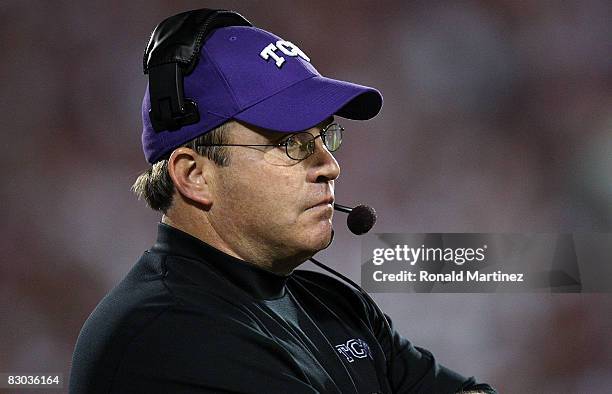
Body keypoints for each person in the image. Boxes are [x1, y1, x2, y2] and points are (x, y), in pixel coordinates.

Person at [69, 9, 496, 394]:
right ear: (194, 175)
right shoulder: (162, 335)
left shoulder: (338, 306)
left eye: (324, 136)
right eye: (290, 141)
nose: (330, 166)